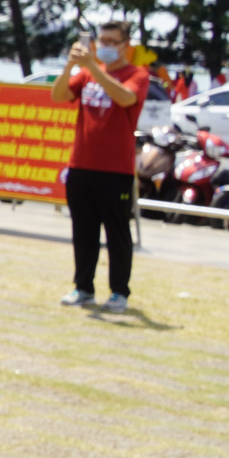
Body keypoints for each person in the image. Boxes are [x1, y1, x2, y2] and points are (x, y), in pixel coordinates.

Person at [52, 21, 148, 313]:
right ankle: (83, 288)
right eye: (100, 40)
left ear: (124, 44)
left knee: (117, 233)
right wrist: (69, 67)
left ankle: (119, 292)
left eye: (110, 40)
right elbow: (58, 95)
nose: (103, 45)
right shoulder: (85, 74)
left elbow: (125, 98)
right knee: (83, 231)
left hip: (115, 170)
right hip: (81, 165)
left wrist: (92, 68)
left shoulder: (137, 75)